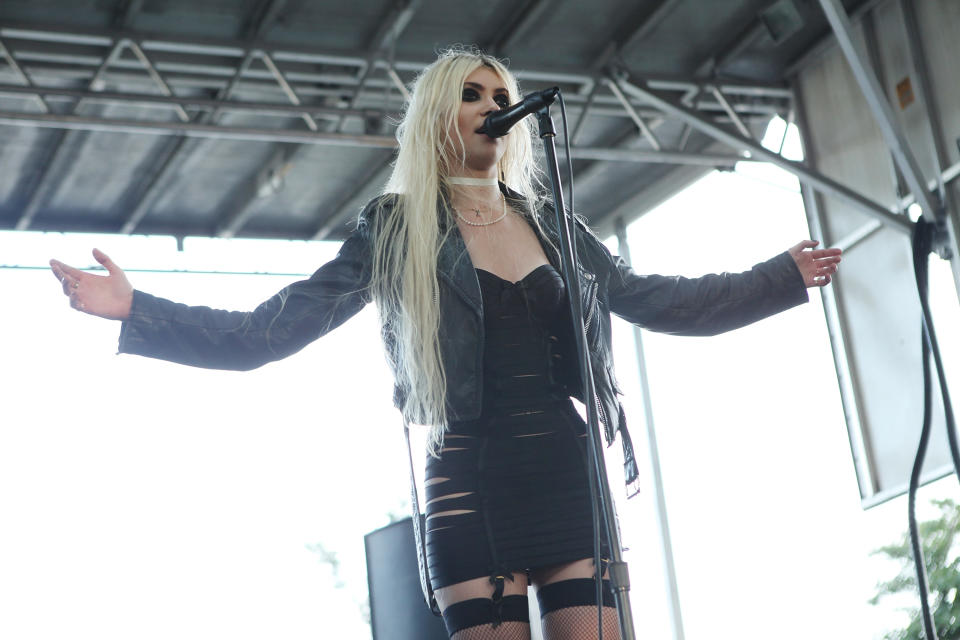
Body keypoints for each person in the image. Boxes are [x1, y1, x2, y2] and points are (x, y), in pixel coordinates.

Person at [50, 47, 841, 640]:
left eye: (501, 92)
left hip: (569, 478)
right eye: (472, 94)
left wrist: (779, 278)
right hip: (470, 487)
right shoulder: (394, 227)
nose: (494, 103)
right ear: (440, 116)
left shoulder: (554, 227)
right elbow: (269, 332)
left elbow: (659, 300)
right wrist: (137, 310)